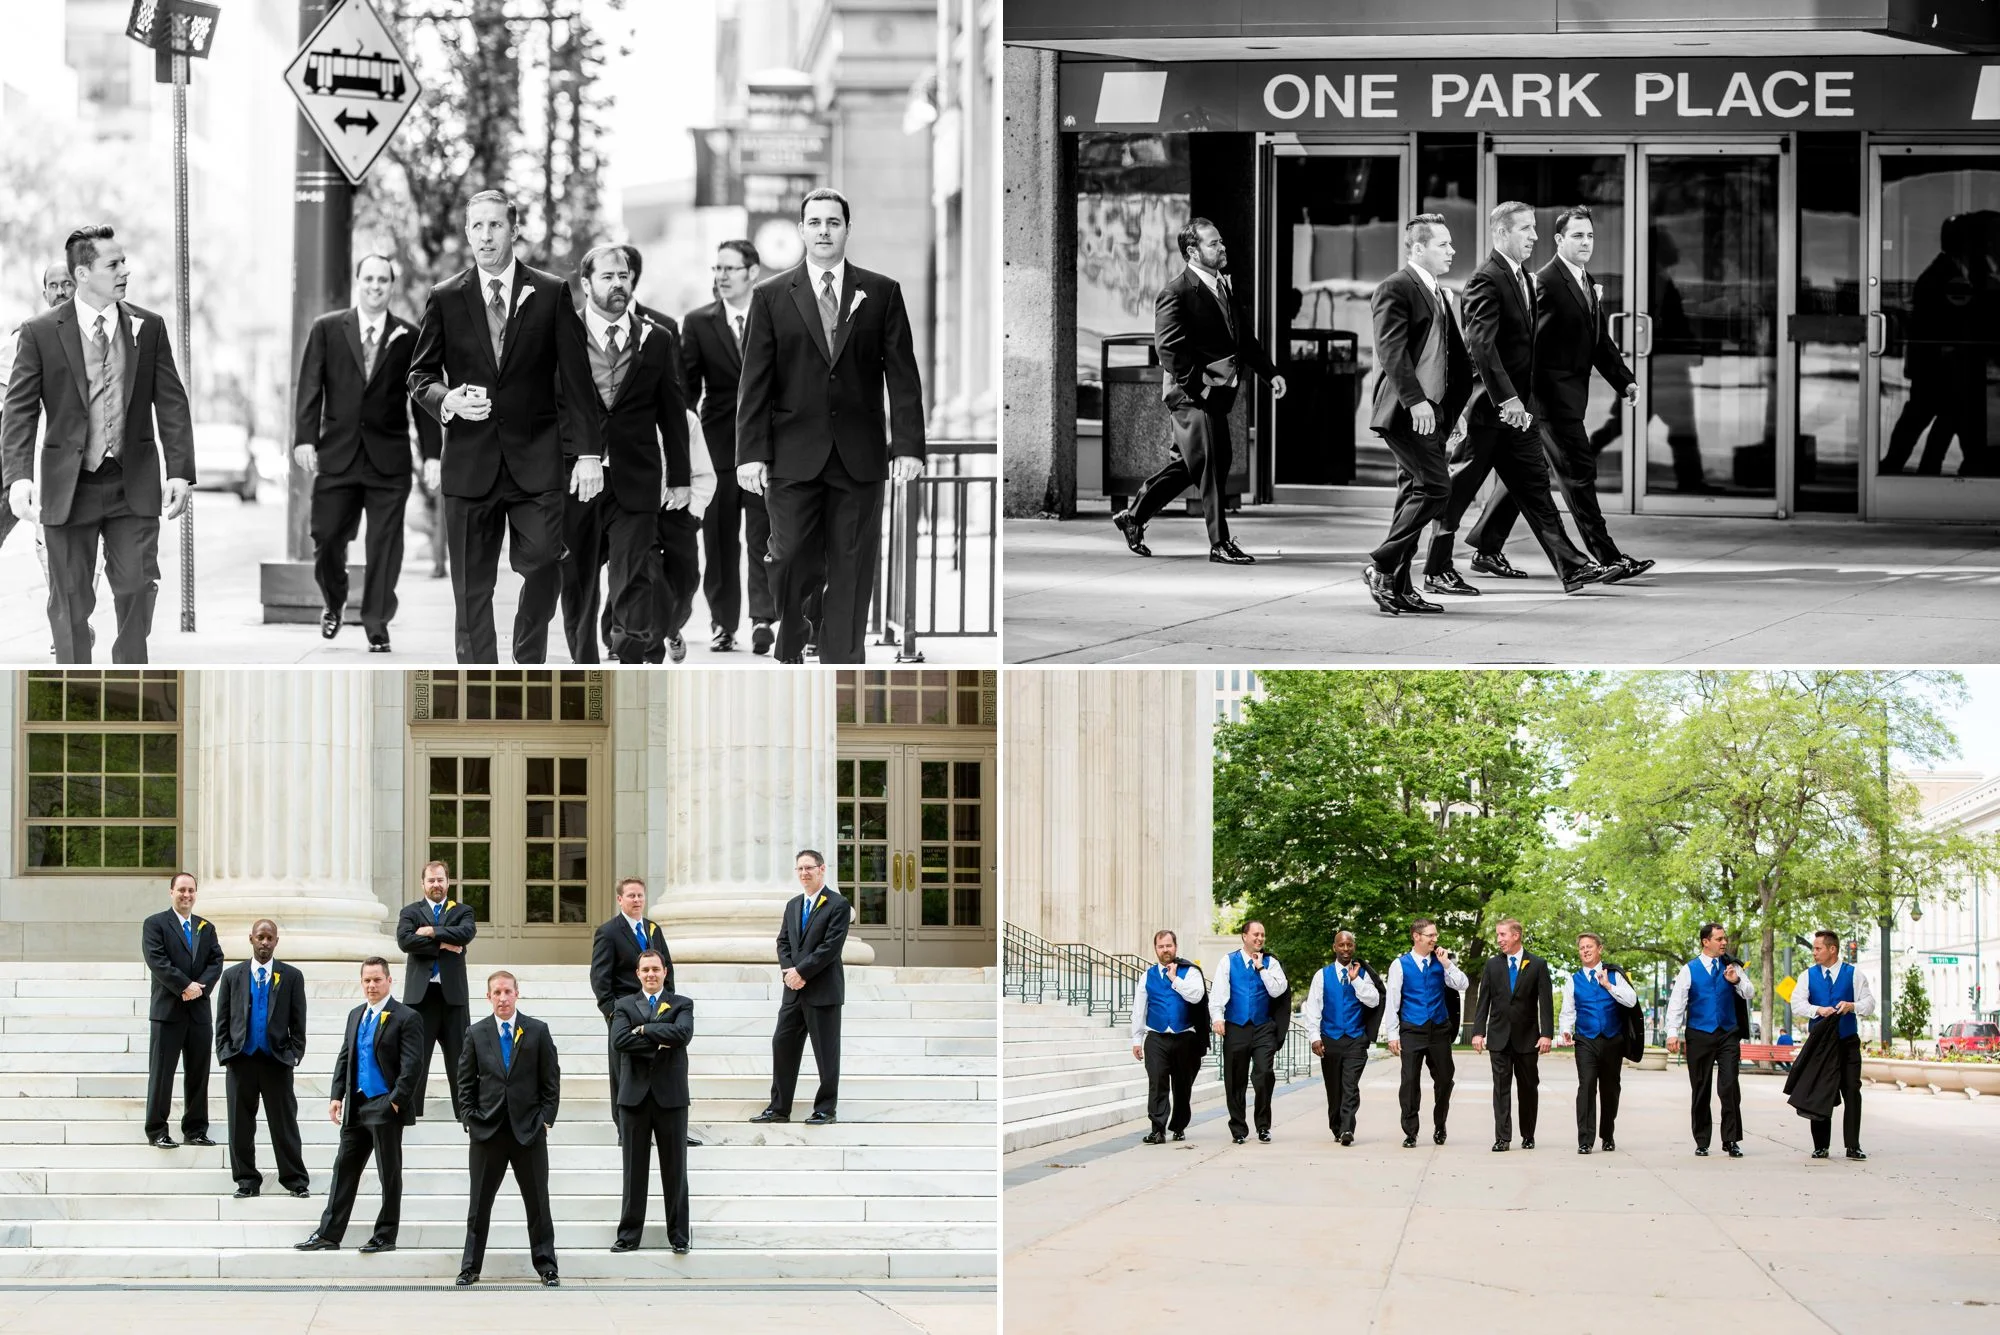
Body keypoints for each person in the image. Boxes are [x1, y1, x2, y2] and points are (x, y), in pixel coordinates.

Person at [735, 188, 927, 664]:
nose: (824, 230)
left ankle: (843, 659)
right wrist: (749, 453)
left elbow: (902, 377)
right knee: (789, 554)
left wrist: (908, 446)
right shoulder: (771, 296)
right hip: (791, 456)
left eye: (833, 222)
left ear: (847, 229)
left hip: (858, 458)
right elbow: (754, 382)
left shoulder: (881, 292)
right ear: (801, 230)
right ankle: (795, 627)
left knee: (851, 564)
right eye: (815, 222)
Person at [408, 190, 597, 663]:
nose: (486, 235)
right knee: (471, 588)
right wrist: (445, 399)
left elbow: (577, 382)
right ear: (468, 233)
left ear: (513, 231)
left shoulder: (551, 292)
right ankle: (478, 677)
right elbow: (420, 376)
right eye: (478, 226)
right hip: (470, 464)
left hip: (537, 461)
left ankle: (527, 655)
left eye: (496, 225)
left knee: (543, 565)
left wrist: (589, 454)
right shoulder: (446, 297)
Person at [3, 225, 195, 663]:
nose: (125, 270)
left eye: (124, 261)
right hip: (69, 485)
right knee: (69, 597)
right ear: (84, 274)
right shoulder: (39, 332)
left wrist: (181, 469)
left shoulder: (149, 326)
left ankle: (130, 670)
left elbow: (171, 402)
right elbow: (19, 411)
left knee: (136, 586)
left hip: (133, 482)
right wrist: (17, 478)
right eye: (114, 264)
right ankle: (74, 681)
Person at [1421, 202, 1611, 596]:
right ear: (1503, 233)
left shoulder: (1524, 278)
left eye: (1534, 229)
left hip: (1520, 415)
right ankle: (1432, 568)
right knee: (1455, 493)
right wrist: (1507, 398)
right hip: (1490, 412)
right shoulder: (1485, 280)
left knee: (1537, 490)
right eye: (1525, 229)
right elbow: (1482, 346)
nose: (1534, 237)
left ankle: (1572, 567)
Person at [1461, 206, 1653, 585]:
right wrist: (1519, 397)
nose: (1586, 242)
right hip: (1546, 401)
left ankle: (1486, 546)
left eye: (1591, 236)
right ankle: (1608, 557)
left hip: (1564, 399)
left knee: (1525, 478)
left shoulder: (1583, 280)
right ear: (1560, 240)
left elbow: (1599, 341)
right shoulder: (1545, 282)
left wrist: (1624, 380)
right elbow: (1526, 344)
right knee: (1577, 474)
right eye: (1578, 236)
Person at [1113, 217, 1285, 565]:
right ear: (1192, 251)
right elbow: (1170, 351)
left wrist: (1270, 373)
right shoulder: (1175, 293)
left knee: (1191, 466)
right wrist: (1202, 391)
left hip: (1218, 393)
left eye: (1221, 242)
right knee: (1212, 464)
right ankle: (1220, 543)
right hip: (1191, 396)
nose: (1222, 248)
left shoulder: (1223, 286)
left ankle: (1133, 516)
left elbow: (1243, 340)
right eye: (1213, 244)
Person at [570, 244, 695, 664]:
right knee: (579, 578)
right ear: (586, 285)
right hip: (576, 478)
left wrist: (679, 476)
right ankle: (584, 660)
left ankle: (628, 655)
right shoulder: (563, 334)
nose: (618, 284)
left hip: (637, 476)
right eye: (607, 277)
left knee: (634, 572)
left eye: (623, 276)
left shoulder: (656, 338)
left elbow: (672, 410)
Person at [293, 251, 419, 652]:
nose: (375, 287)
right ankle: (334, 600)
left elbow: (422, 397)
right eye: (369, 279)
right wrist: (304, 438)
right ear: (358, 282)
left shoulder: (409, 336)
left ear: (392, 286)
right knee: (326, 537)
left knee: (384, 547)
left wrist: (432, 455)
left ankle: (377, 622)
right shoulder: (327, 329)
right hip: (338, 455)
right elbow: (310, 387)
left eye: (383, 280)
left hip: (389, 460)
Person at [1359, 214, 1475, 615]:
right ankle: (1381, 565)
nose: (1452, 251)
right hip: (1407, 411)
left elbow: (1447, 359)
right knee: (1437, 488)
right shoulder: (1395, 287)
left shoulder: (1440, 293)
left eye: (1450, 244)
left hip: (1433, 410)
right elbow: (1392, 352)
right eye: (1443, 244)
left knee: (1413, 493)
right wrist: (1416, 402)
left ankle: (1399, 588)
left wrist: (1449, 410)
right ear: (1419, 248)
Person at [295, 957, 425, 1253]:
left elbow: (413, 1066)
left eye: (377, 979)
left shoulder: (406, 1017)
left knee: (388, 1174)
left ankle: (385, 1235)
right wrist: (336, 1095)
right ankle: (329, 1234)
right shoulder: (356, 1014)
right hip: (356, 1106)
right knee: (344, 1169)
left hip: (384, 1106)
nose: (371, 985)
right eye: (366, 980)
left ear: (390, 981)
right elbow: (346, 1056)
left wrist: (395, 1103)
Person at [683, 240, 774, 653]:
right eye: (716, 268)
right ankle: (723, 624)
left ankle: (762, 619)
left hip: (764, 450)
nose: (720, 276)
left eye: (729, 269)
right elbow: (686, 391)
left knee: (763, 538)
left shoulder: (774, 312)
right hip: (717, 450)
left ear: (752, 272)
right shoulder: (698, 322)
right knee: (718, 543)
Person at [455, 970, 561, 1287]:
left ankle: (547, 1266)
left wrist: (545, 1119)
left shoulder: (537, 1031)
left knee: (538, 1203)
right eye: (496, 992)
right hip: (487, 1133)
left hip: (528, 1131)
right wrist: (470, 1118)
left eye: (507, 992)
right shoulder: (475, 1033)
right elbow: (465, 1083)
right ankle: (470, 1267)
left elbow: (551, 1081)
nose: (502, 998)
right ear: (488, 997)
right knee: (479, 1205)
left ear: (517, 993)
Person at [589, 878, 699, 1146]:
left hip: (659, 1009)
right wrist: (612, 1013)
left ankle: (671, 1127)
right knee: (622, 1069)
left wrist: (670, 1003)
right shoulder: (608, 932)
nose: (636, 900)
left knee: (665, 1065)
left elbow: (666, 967)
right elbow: (600, 977)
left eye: (640, 895)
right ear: (620, 900)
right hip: (626, 1011)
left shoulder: (653, 929)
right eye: (631, 896)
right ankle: (624, 1130)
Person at [751, 850, 850, 1125]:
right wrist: (789, 973)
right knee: (782, 1044)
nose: (804, 873)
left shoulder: (838, 905)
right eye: (800, 869)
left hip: (823, 991)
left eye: (809, 867)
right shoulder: (793, 905)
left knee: (826, 1053)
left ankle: (826, 1109)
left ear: (821, 869)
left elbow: (830, 947)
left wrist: (802, 972)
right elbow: (783, 942)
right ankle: (779, 1108)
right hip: (793, 991)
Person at [213, 918, 309, 1198]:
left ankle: (295, 1180)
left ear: (276, 941)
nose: (265, 942)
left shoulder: (291, 976)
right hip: (241, 1059)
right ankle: (246, 1181)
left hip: (276, 1061)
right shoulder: (232, 976)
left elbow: (298, 1021)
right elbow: (222, 1020)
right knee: (240, 1125)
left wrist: (294, 1053)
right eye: (260, 937)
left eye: (270, 938)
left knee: (284, 1124)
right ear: (251, 939)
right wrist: (225, 1052)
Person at [610, 949, 693, 1255]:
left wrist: (644, 1030)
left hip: (671, 1098)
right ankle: (629, 1236)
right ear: (638, 974)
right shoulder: (623, 1005)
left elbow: (683, 1034)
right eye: (645, 970)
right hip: (634, 1098)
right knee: (634, 1171)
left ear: (665, 972)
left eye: (656, 969)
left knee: (675, 1170)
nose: (651, 974)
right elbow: (619, 1041)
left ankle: (680, 1236)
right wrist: (661, 1039)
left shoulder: (683, 1003)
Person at [0, 262, 77, 565]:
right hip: (16, 462)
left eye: (67, 284)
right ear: (45, 293)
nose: (60, 291)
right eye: (53, 286)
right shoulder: (26, 336)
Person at [139, 871, 222, 1148]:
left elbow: (216, 960)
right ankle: (157, 1130)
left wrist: (200, 988)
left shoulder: (205, 928)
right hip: (168, 1012)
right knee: (162, 1074)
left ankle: (196, 1129)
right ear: (171, 892)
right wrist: (184, 985)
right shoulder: (155, 924)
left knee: (198, 1074)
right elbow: (157, 960)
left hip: (198, 1013)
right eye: (181, 890)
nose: (186, 895)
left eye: (191, 891)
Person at [1665, 922, 1757, 1157]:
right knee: (1701, 1087)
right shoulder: (1690, 969)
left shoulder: (1732, 965)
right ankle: (1702, 1140)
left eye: (1724, 938)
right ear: (1706, 942)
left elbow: (1750, 992)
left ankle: (1731, 1139)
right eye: (1719, 939)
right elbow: (1677, 1002)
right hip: (1699, 1034)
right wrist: (1672, 1032)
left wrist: (1736, 980)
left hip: (1727, 1033)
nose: (1724, 942)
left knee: (1729, 1086)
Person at [394, 860, 476, 1121]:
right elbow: (405, 941)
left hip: (453, 997)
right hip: (421, 998)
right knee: (415, 1058)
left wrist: (431, 932)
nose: (436, 885)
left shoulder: (463, 911)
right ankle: (411, 1113)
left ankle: (465, 1113)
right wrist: (443, 944)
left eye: (440, 880)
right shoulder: (410, 912)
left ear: (448, 882)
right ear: (423, 884)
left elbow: (465, 933)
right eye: (431, 880)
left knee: (461, 1059)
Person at [1786, 929, 1874, 1160]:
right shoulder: (1808, 975)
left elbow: (1869, 1003)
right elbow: (1797, 1004)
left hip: (1847, 1041)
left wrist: (1852, 1006)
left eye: (1818, 948)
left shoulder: (1854, 974)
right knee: (1819, 1092)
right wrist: (1817, 1010)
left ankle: (1852, 1145)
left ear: (1832, 949)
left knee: (1852, 1090)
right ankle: (1821, 1146)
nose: (1814, 952)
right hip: (1820, 1045)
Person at [1382, 917, 1467, 1148]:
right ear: (1416, 936)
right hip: (1412, 1029)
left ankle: (1440, 1125)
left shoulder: (1442, 962)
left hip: (1439, 1029)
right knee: (1409, 1081)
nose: (1435, 939)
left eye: (1435, 935)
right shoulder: (1400, 965)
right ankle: (1411, 1131)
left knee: (1445, 1079)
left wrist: (1447, 963)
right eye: (1431, 935)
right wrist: (1392, 1033)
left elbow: (1463, 984)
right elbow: (1393, 1001)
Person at [1470, 917, 1553, 1151]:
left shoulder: (1537, 964)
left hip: (1528, 1039)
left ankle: (1528, 1134)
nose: (1499, 940)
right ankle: (1502, 1138)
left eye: (1503, 935)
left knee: (1528, 1088)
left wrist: (1546, 1034)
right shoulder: (1492, 965)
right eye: (1498, 935)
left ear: (1516, 935)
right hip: (1498, 1038)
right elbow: (1483, 1000)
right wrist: (1478, 1032)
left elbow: (1545, 1003)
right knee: (1501, 1089)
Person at [1556, 931, 1639, 1154]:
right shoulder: (1573, 980)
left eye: (1589, 946)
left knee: (1611, 1090)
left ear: (1599, 949)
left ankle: (1607, 1134)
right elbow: (1568, 1011)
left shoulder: (1614, 975)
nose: (1585, 950)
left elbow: (1631, 1000)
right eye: (1582, 947)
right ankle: (1585, 1139)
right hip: (1586, 1040)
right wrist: (1565, 1030)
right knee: (1586, 1087)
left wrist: (1609, 986)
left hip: (1613, 1040)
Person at [1210, 919, 1288, 1144]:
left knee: (1264, 1074)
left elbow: (1278, 991)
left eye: (1262, 935)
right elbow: (1218, 993)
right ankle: (1238, 1128)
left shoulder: (1271, 963)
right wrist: (1217, 1018)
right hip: (1236, 1026)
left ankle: (1263, 1126)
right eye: (1255, 935)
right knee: (1235, 1080)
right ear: (1244, 936)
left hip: (1263, 1027)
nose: (1260, 939)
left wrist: (1261, 968)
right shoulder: (1228, 961)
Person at [1300, 931, 1383, 1145]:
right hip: (1330, 1039)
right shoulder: (1322, 975)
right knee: (1334, 1088)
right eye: (1341, 945)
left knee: (1350, 1086)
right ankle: (1336, 1126)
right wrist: (1314, 1038)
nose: (1346, 949)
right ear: (1334, 948)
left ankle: (1347, 1129)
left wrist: (1356, 982)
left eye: (1349, 945)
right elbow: (1314, 1008)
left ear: (1354, 947)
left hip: (1355, 1039)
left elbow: (1374, 1001)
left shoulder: (1363, 974)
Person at [1129, 929, 1207, 1144]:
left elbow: (1196, 996)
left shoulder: (1190, 972)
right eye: (1161, 946)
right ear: (1156, 949)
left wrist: (1174, 979)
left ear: (1175, 947)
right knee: (1157, 1082)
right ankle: (1158, 1129)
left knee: (1182, 1086)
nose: (1165, 950)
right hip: (1156, 1036)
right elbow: (1139, 1009)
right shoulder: (1147, 976)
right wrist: (1137, 1039)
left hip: (1185, 1038)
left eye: (1168, 945)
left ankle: (1179, 1126)